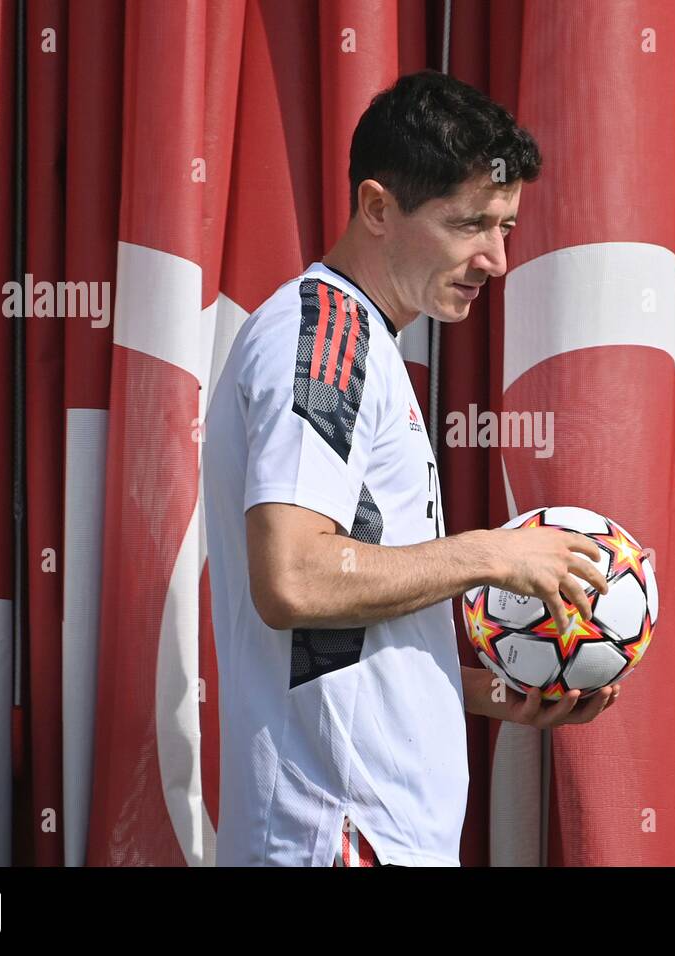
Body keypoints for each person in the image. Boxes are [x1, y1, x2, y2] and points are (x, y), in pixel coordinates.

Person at [203, 70, 619, 868]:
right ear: (376, 208)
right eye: (470, 224)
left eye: (506, 226)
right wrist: (492, 554)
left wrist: (498, 692)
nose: (495, 258)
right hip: (339, 840)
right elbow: (292, 579)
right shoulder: (326, 337)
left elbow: (336, 637)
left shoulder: (358, 341)